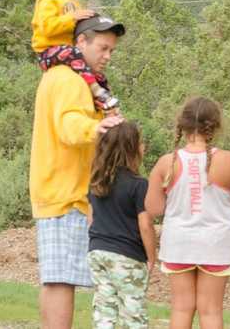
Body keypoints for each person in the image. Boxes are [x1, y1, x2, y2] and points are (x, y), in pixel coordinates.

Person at [31, 15, 126, 329]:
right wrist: (99, 126)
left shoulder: (68, 77)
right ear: (80, 42)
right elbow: (70, 125)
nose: (107, 56)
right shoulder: (69, 79)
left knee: (55, 279)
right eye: (102, 48)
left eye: (111, 50)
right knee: (62, 281)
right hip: (66, 193)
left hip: (57, 191)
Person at [145, 97, 230, 329]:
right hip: (217, 244)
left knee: (181, 308)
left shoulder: (166, 162)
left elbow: (154, 209)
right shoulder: (229, 160)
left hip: (178, 243)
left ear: (182, 125)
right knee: (211, 311)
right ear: (214, 125)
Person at [31, 0, 119, 114]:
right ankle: (95, 90)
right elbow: (47, 28)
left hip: (69, 52)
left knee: (95, 71)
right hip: (49, 52)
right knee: (75, 55)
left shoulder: (73, 2)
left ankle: (105, 104)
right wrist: (72, 17)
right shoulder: (48, 0)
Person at [87, 121, 156, 329]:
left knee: (104, 309)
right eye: (141, 142)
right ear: (132, 148)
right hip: (127, 256)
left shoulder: (96, 181)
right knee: (133, 312)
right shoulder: (139, 184)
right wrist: (152, 257)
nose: (144, 146)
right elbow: (145, 225)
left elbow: (90, 217)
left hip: (97, 252)